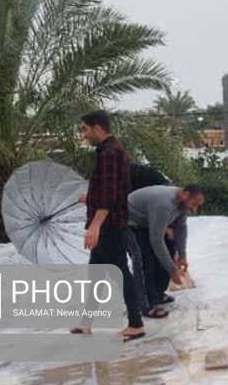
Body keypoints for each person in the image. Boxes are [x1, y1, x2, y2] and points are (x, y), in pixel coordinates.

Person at [73, 110, 144, 342]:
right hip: (109, 224)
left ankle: (135, 324)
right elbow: (106, 190)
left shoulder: (110, 153)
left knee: (120, 273)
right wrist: (90, 197)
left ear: (97, 128)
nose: (83, 134)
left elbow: (112, 195)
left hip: (110, 226)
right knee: (96, 274)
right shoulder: (108, 151)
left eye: (84, 129)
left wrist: (94, 227)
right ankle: (87, 323)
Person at [128, 184, 205, 317]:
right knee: (144, 259)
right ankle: (145, 305)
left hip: (146, 223)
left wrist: (182, 256)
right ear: (185, 194)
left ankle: (157, 294)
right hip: (129, 224)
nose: (193, 208)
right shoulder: (164, 205)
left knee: (169, 248)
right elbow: (156, 240)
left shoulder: (182, 204)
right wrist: (172, 269)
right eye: (193, 204)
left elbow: (181, 228)